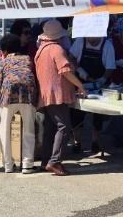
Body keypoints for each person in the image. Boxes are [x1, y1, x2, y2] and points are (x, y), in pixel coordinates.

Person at [34, 19, 86, 175]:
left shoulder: (41, 49)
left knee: (50, 129)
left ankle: (46, 160)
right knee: (64, 127)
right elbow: (65, 71)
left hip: (45, 94)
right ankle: (55, 161)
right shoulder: (57, 49)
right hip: (56, 94)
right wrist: (80, 85)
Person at [0, 33, 38, 174]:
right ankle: (27, 164)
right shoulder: (27, 59)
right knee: (28, 130)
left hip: (8, 95)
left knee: (4, 129)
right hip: (28, 95)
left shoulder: (3, 61)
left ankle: (8, 165)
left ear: (4, 50)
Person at [70, 32, 116, 154]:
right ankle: (77, 142)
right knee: (76, 114)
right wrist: (79, 70)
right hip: (81, 85)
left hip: (98, 87)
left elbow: (110, 67)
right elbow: (70, 57)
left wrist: (102, 80)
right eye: (89, 35)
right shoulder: (80, 41)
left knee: (98, 115)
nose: (91, 38)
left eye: (94, 36)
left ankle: (95, 141)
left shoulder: (107, 45)